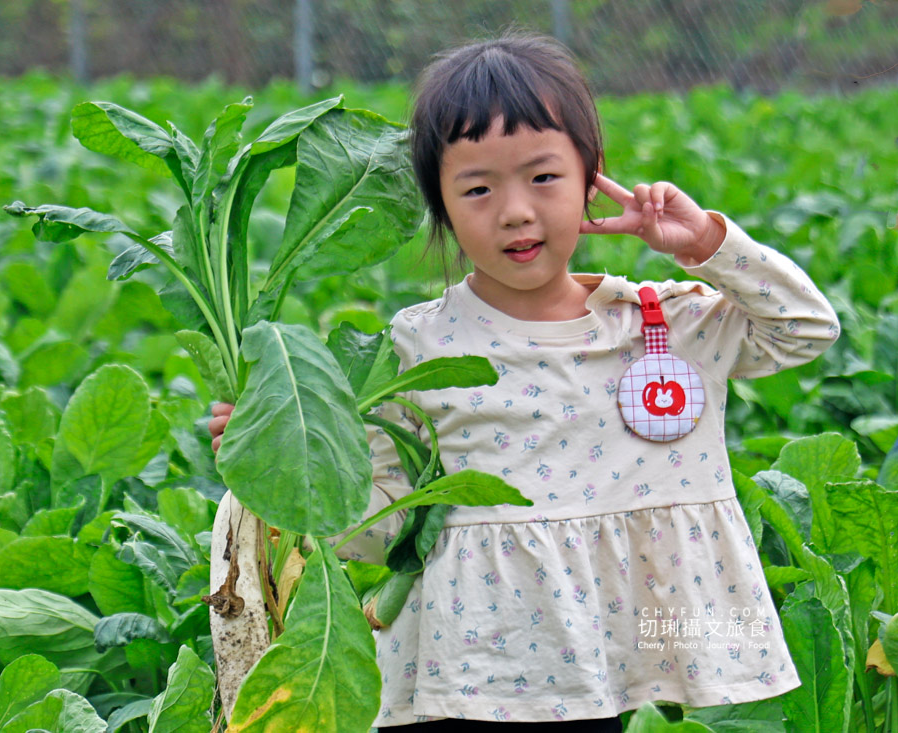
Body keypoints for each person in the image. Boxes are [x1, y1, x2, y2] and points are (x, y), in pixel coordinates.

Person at [210, 33, 839, 731]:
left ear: (591, 177)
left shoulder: (660, 323)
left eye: (543, 178)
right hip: (472, 670)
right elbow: (385, 521)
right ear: (441, 205)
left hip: (608, 661)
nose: (514, 211)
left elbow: (805, 328)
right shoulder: (420, 344)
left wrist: (704, 246)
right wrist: (278, 458)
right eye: (477, 189)